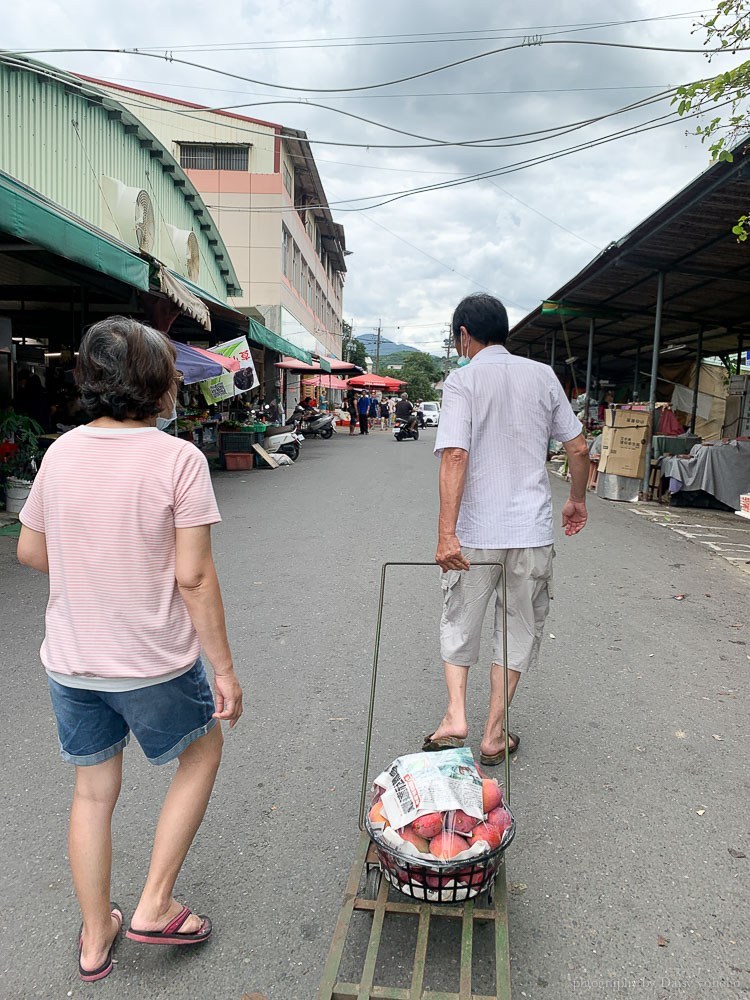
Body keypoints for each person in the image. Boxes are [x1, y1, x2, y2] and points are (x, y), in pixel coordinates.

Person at [16, 316, 243, 983]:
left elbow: (29, 550)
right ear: (159, 384)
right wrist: (224, 670)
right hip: (152, 662)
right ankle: (155, 904)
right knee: (202, 751)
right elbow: (194, 577)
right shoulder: (178, 460)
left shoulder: (61, 454)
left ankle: (96, 937)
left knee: (92, 793)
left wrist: (92, 564)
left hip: (72, 661)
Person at [427, 293, 589, 767]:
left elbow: (455, 454)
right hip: (530, 530)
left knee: (461, 617)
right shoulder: (543, 376)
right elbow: (578, 449)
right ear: (505, 331)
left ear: (463, 335)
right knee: (518, 626)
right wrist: (577, 499)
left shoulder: (462, 381)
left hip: (476, 532)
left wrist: (446, 534)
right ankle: (494, 733)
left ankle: (456, 716)